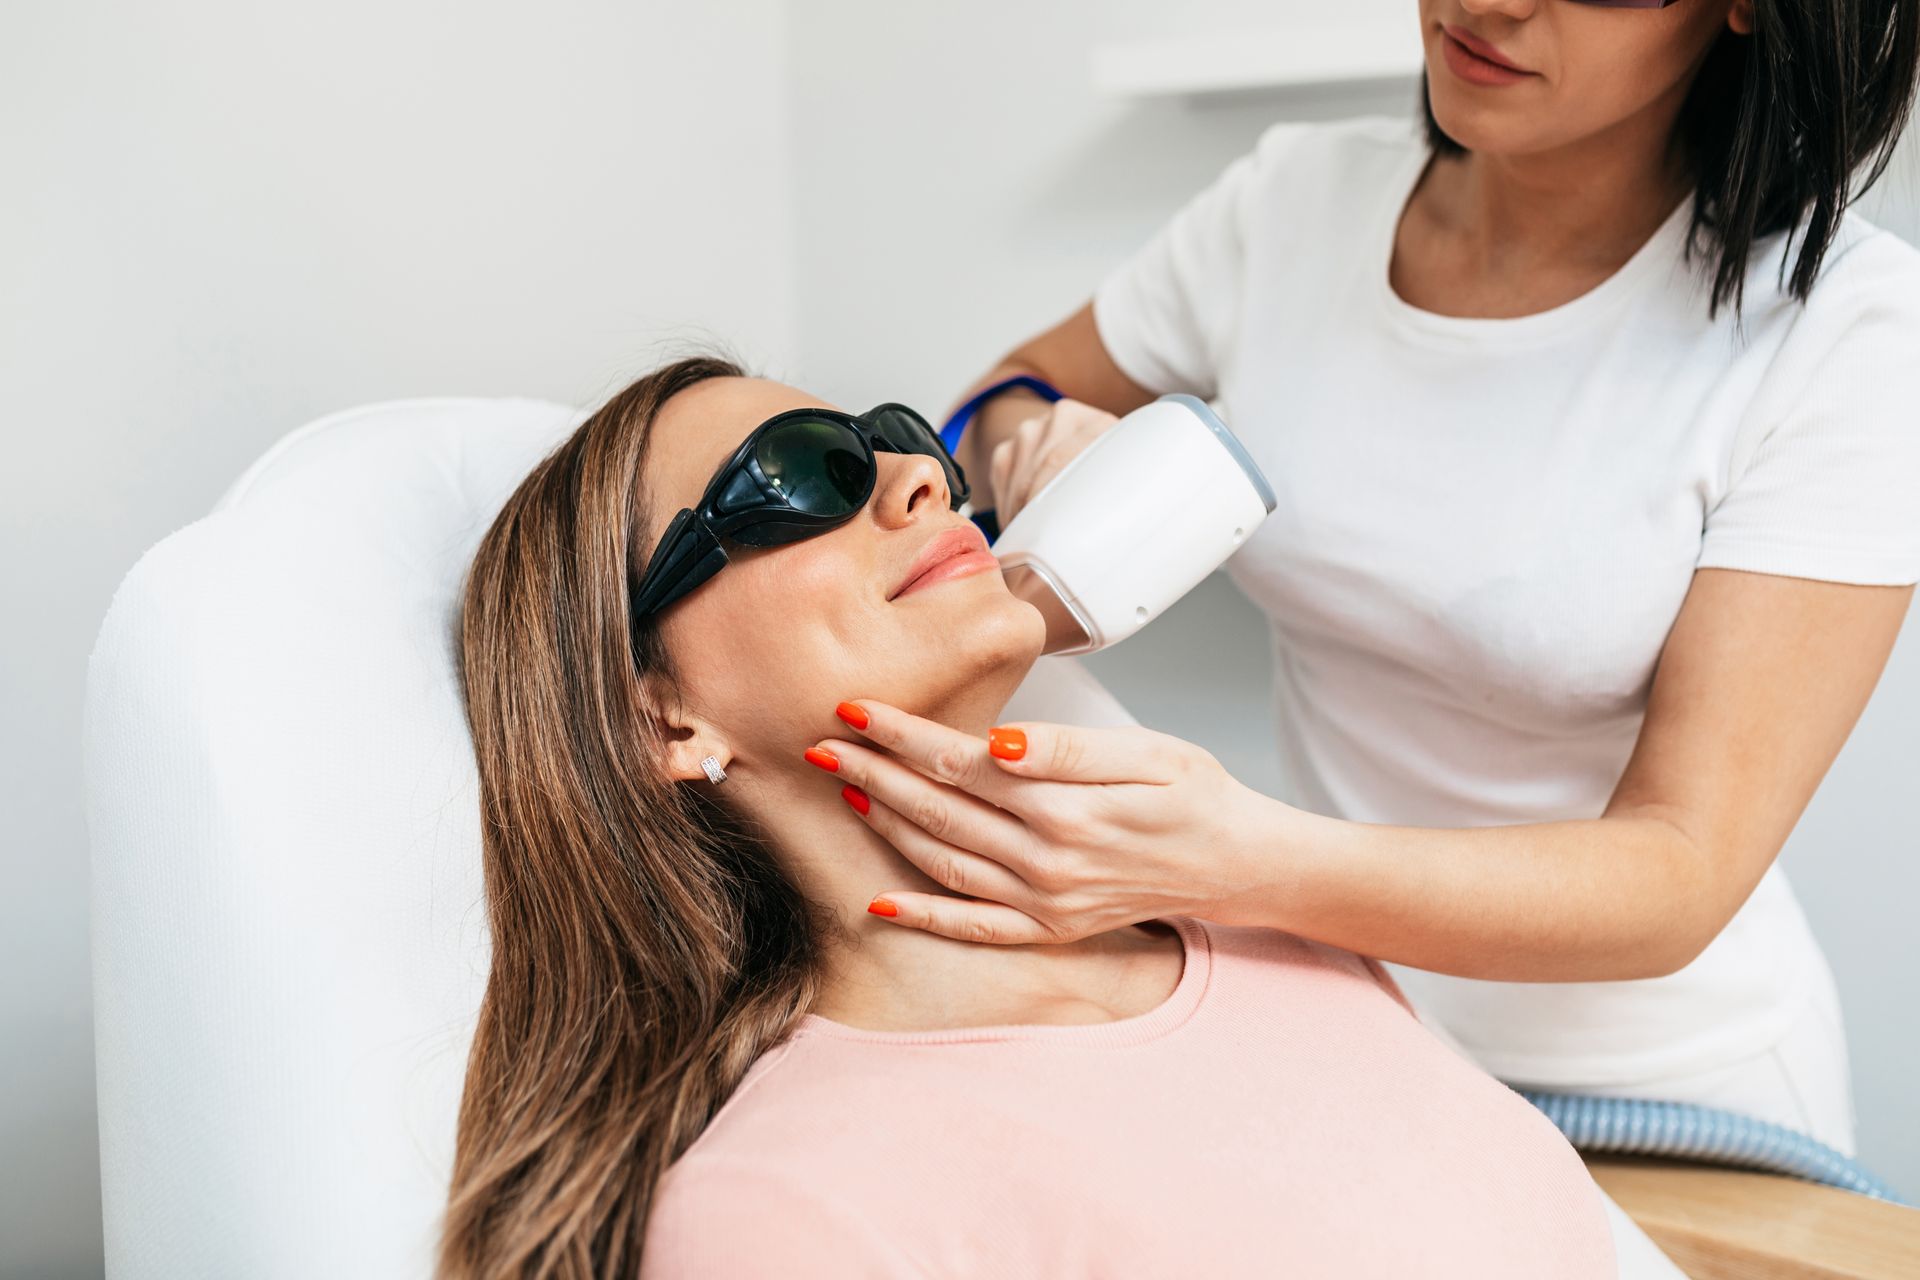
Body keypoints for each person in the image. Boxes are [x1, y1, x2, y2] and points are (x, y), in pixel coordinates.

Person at [838, 0, 1920, 1158]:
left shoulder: (1847, 330)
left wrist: (1232, 860)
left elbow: (1679, 872)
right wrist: (1030, 442)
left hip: (1668, 1102)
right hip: (1358, 1049)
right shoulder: (1296, 201)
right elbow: (1007, 387)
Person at [435, 356, 1618, 1277]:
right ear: (663, 718)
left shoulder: (1271, 936)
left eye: (896, 441)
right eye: (797, 473)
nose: (924, 478)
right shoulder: (792, 1205)